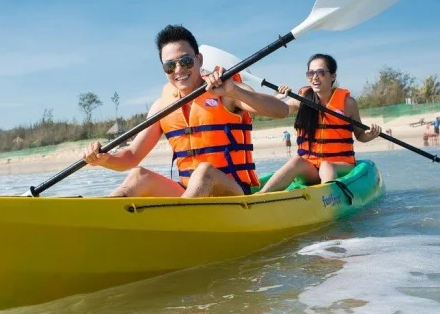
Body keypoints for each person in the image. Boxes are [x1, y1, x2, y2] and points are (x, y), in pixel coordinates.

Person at [82, 25, 289, 198]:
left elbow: (282, 110)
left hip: (232, 192)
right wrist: (104, 159)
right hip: (189, 192)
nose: (179, 70)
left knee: (204, 171)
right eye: (169, 66)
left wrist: (234, 90)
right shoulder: (161, 106)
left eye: (186, 61)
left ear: (199, 60)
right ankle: (103, 217)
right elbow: (131, 157)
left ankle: (183, 222)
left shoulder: (226, 89)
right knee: (138, 176)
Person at [257, 53, 381, 193]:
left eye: (320, 72)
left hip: (340, 166)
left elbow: (360, 135)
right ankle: (260, 196)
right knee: (296, 161)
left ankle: (326, 198)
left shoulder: (348, 103)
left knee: (326, 166)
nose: (314, 77)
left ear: (333, 76)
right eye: (310, 73)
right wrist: (278, 98)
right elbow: (279, 110)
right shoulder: (302, 98)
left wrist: (370, 134)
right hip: (310, 168)